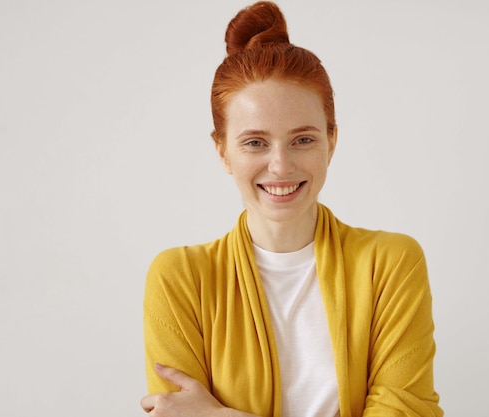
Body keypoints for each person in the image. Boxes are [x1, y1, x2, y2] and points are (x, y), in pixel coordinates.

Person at [140, 2, 443, 416]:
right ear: (223, 151)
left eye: (302, 140)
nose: (280, 166)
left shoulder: (390, 265)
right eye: (255, 142)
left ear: (331, 143)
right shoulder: (180, 279)